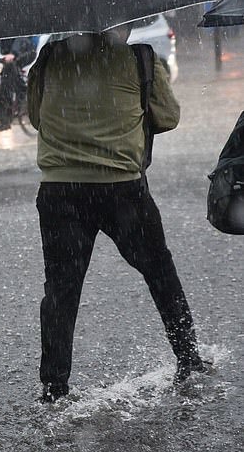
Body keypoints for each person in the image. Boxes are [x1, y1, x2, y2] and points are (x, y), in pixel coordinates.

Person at [26, 29, 209, 403]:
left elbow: (35, 117)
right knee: (159, 270)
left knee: (61, 291)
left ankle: (54, 387)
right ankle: (188, 357)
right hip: (122, 189)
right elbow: (168, 116)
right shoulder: (140, 59)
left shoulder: (49, 57)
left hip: (61, 189)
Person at [0, 36, 37, 130]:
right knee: (6, 81)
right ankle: (5, 119)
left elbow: (20, 37)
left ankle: (23, 91)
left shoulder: (12, 23)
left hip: (26, 52)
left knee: (7, 82)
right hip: (12, 55)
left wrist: (13, 53)